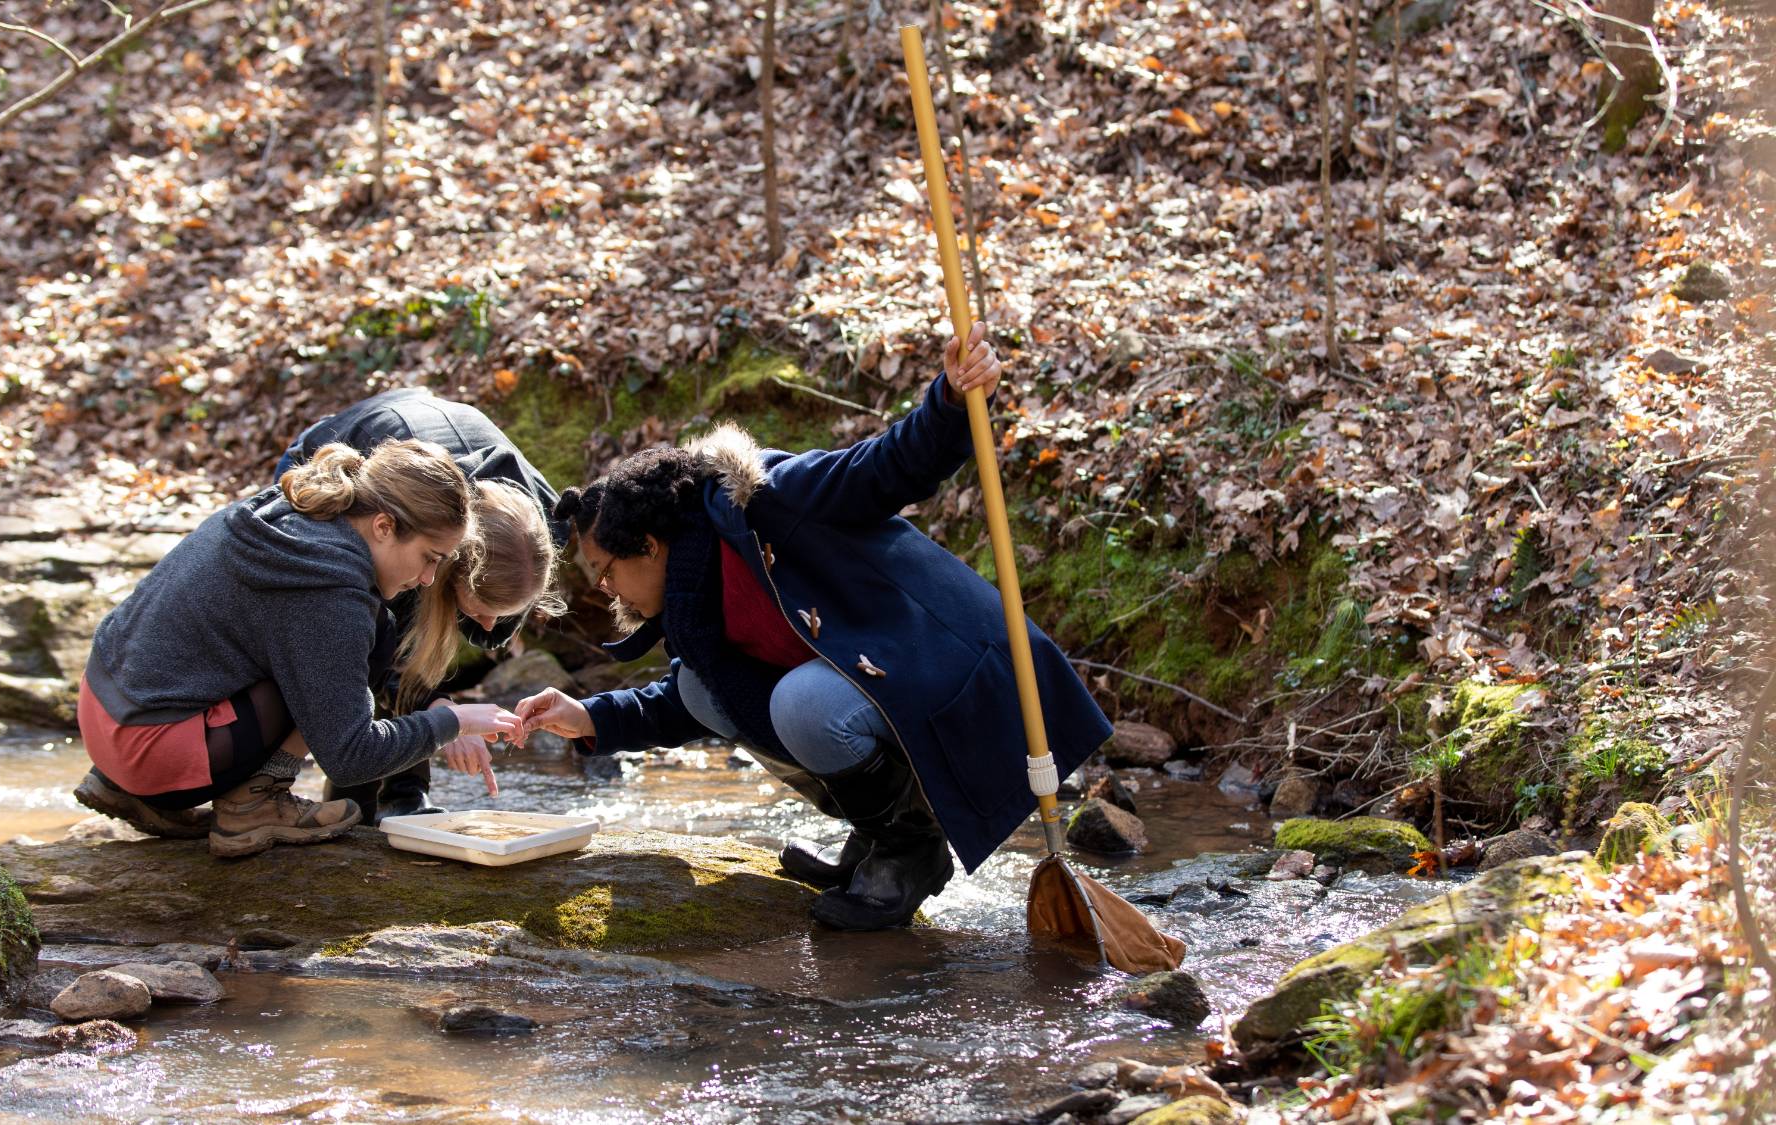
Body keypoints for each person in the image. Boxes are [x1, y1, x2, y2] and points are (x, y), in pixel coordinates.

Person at [515, 324, 1114, 930]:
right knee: (704, 688)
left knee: (802, 704)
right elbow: (686, 702)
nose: (605, 591)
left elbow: (881, 469)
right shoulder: (692, 599)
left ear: (647, 545)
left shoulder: (764, 500)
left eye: (606, 571)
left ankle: (912, 849)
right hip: (879, 695)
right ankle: (880, 837)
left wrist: (951, 401)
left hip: (957, 677)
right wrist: (591, 717)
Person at [72, 438, 523, 857]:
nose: (427, 581)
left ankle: (124, 786)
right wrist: (450, 721)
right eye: (430, 558)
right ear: (383, 526)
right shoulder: (328, 589)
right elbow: (350, 756)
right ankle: (254, 806)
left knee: (346, 647)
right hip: (151, 751)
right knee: (376, 636)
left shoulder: (288, 512)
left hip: (102, 714)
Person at [278, 388, 566, 822]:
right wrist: (442, 715)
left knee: (431, 645)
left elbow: (454, 632)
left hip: (434, 465)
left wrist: (445, 708)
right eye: (482, 608)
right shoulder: (418, 538)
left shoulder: (540, 532)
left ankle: (406, 794)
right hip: (325, 470)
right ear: (443, 570)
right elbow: (382, 652)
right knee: (366, 644)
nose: (488, 628)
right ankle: (355, 801)